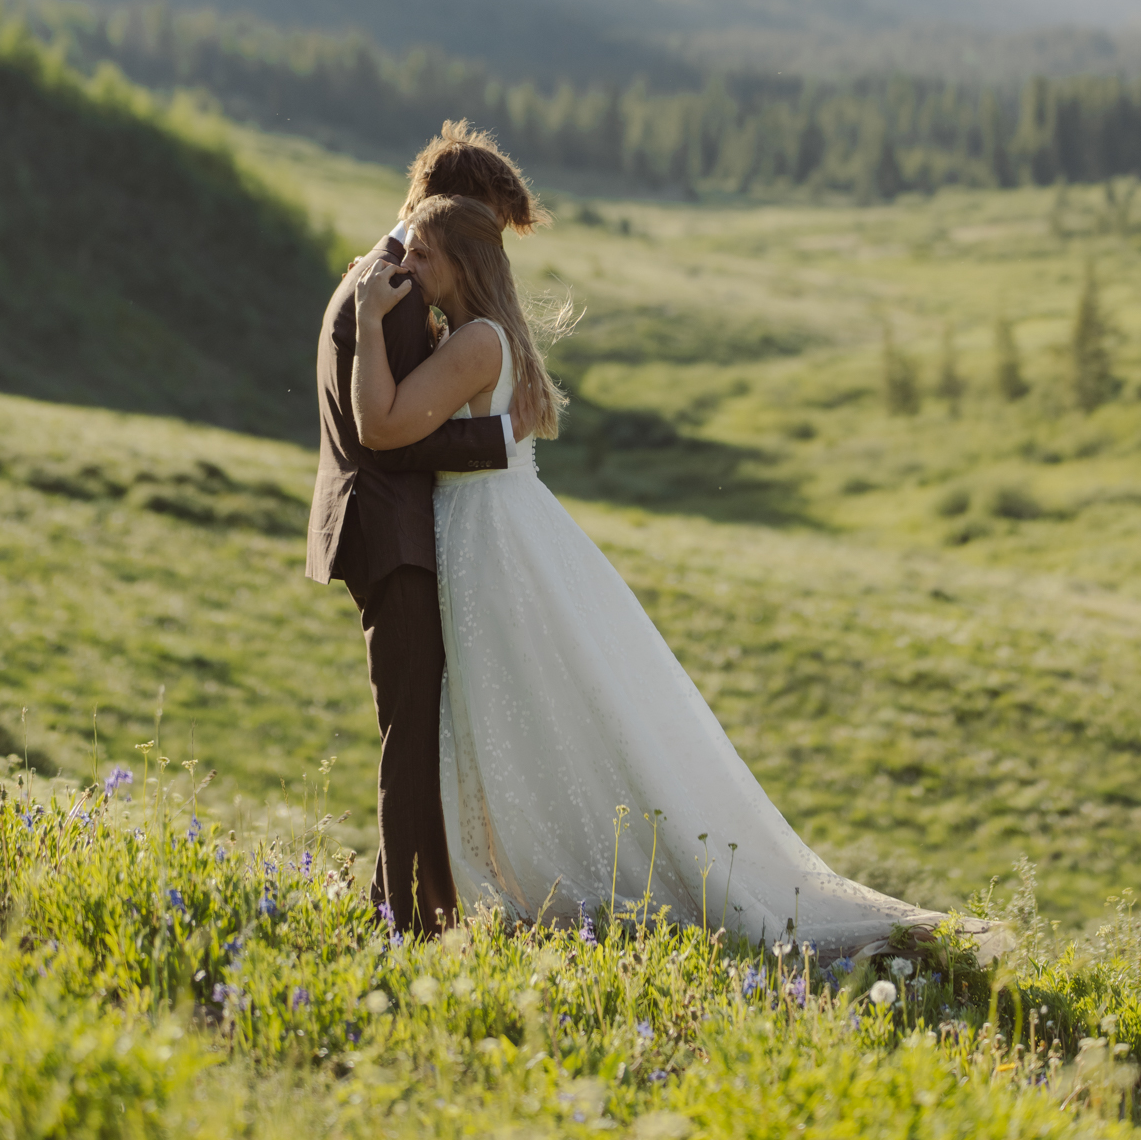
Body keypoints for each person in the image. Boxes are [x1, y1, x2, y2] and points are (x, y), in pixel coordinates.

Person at [352, 191, 954, 959]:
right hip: (492, 527)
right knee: (506, 704)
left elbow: (382, 426)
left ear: (463, 263)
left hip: (483, 536)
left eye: (424, 253)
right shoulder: (477, 335)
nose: (407, 263)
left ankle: (531, 873)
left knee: (513, 701)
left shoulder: (474, 342)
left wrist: (370, 320)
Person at [306, 122, 547, 933]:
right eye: (479, 225)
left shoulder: (382, 277)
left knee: (418, 730)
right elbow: (386, 431)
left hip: (392, 532)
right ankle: (405, 918)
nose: (489, 248)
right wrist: (495, 445)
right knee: (413, 736)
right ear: (442, 207)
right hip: (395, 537)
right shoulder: (397, 293)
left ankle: (394, 900)